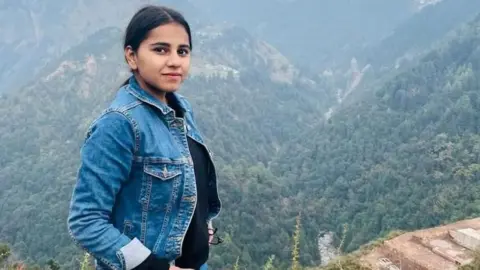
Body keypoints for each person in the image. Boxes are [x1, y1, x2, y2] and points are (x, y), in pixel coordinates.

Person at [67, 5, 222, 270]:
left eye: (182, 51)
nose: (175, 61)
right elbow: (86, 222)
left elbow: (188, 182)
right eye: (160, 49)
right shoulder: (119, 125)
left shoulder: (181, 109)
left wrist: (201, 225)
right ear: (132, 57)